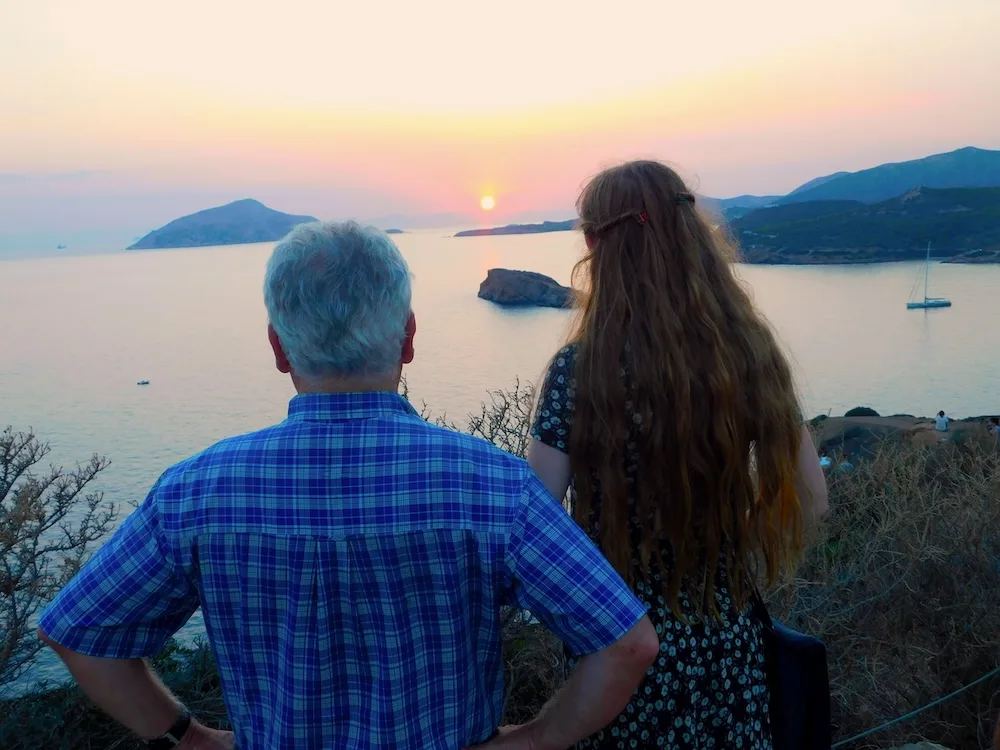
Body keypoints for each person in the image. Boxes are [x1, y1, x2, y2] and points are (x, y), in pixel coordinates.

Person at [38, 221, 660, 749]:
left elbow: (79, 634)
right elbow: (626, 646)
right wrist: (534, 740)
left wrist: (188, 738)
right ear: (409, 338)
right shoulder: (493, 488)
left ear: (279, 348)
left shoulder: (193, 494)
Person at [527, 161, 829, 749]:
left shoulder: (581, 371)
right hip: (729, 652)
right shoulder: (748, 353)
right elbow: (811, 500)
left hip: (620, 652)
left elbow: (534, 522)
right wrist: (721, 549)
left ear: (595, 246)